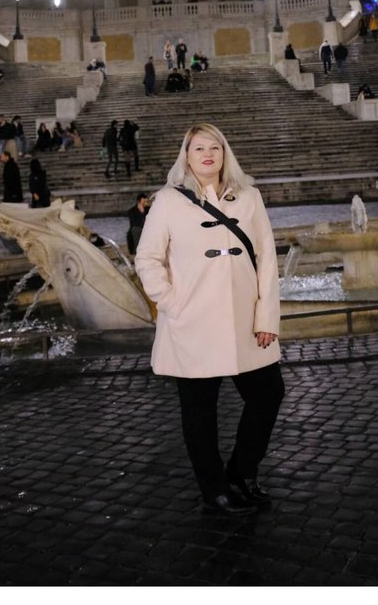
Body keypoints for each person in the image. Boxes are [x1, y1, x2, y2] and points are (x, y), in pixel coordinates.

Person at [134, 123, 282, 517]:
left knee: (268, 394)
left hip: (245, 320)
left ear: (224, 152)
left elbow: (267, 258)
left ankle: (242, 473)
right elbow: (147, 258)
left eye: (215, 147)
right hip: (191, 322)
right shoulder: (167, 201)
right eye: (199, 148)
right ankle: (213, 487)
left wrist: (266, 315)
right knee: (200, 411)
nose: (207, 154)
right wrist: (171, 302)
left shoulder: (249, 197)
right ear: (186, 155)